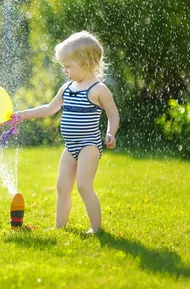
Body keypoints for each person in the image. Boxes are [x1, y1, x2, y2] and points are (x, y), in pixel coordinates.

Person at [10, 31, 120, 234]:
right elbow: (48, 109)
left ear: (86, 63)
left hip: (89, 145)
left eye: (68, 67)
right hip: (70, 147)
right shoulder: (67, 88)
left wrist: (110, 133)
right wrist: (22, 115)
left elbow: (113, 114)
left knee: (84, 186)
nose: (65, 71)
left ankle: (96, 228)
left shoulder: (98, 89)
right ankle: (60, 226)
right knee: (62, 187)